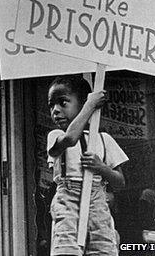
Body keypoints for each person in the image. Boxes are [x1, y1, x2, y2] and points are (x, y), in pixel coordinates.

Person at [46, 75, 128, 255]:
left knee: (102, 249)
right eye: (52, 105)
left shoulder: (103, 139)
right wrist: (90, 105)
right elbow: (70, 138)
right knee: (66, 250)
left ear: (81, 103)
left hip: (97, 200)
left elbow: (120, 182)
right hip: (68, 201)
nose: (55, 110)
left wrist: (102, 168)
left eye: (63, 103)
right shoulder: (56, 136)